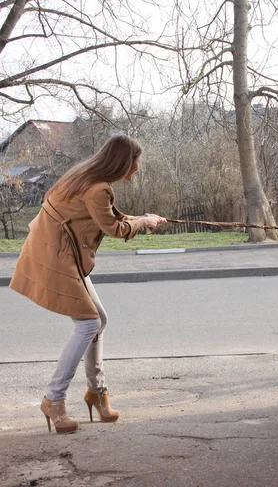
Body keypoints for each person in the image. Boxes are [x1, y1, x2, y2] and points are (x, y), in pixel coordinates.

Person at [10, 135, 166, 433]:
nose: (137, 169)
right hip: (57, 259)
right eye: (136, 162)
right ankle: (54, 400)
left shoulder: (85, 176)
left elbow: (107, 217)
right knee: (88, 324)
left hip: (56, 253)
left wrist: (144, 219)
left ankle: (97, 392)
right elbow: (114, 227)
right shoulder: (98, 188)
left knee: (98, 320)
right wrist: (143, 223)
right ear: (124, 162)